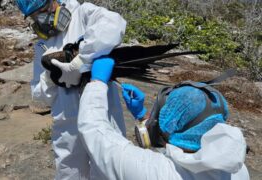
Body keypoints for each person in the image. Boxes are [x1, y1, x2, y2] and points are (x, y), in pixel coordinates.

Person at [77, 58, 250, 180]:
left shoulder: (150, 171)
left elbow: (95, 131)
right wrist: (142, 115)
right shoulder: (236, 170)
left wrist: (97, 83)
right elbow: (182, 153)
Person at [16, 0, 127, 179]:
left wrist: (81, 60)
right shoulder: (42, 45)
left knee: (108, 167)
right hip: (67, 122)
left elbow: (114, 24)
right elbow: (38, 92)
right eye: (36, 16)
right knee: (69, 171)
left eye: (44, 10)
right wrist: (51, 79)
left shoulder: (83, 15)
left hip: (104, 113)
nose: (43, 19)